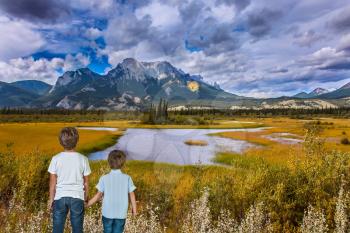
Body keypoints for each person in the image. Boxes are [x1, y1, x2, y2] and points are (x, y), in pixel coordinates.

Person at [48, 127, 91, 233]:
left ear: (61, 142)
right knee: (77, 229)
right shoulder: (83, 159)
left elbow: (52, 183)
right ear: (77, 141)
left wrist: (51, 199)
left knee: (57, 229)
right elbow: (86, 182)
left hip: (60, 197)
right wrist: (85, 197)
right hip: (77, 197)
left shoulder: (55, 159)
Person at [87, 150, 137, 233]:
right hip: (121, 213)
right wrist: (134, 210)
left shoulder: (104, 178)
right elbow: (132, 195)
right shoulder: (127, 178)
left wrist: (88, 204)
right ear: (123, 163)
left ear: (109, 162)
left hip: (107, 212)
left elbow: (98, 195)